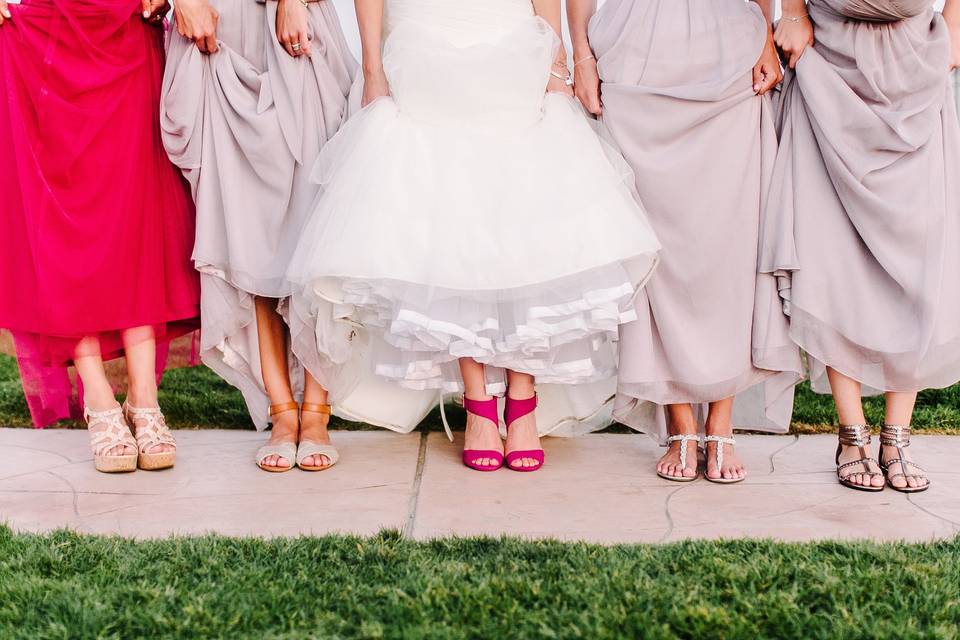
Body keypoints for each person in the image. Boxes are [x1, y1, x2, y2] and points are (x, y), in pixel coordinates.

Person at [286, 0, 661, 472]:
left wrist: (556, 57)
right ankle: (478, 401)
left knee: (522, 210)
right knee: (451, 213)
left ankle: (523, 398)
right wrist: (373, 68)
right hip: (423, 36)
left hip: (509, 32)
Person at [567, 0, 802, 484]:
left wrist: (762, 37)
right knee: (656, 239)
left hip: (727, 44)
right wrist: (583, 58)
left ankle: (721, 417)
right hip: (636, 49)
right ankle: (679, 420)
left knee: (730, 236)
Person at [764, 0, 960, 492]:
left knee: (919, 248)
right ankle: (852, 435)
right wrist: (790, 10)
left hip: (915, 60)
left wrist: (956, 21)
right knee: (833, 247)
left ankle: (897, 435)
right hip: (832, 54)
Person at [0, 0, 200, 473]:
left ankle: (144, 399)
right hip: (44, 31)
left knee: (135, 212)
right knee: (62, 216)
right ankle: (100, 400)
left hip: (127, 24)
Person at [161, 0, 356, 472]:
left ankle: (316, 409)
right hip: (224, 28)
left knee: (313, 218)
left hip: (295, 19)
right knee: (250, 223)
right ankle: (281, 408)